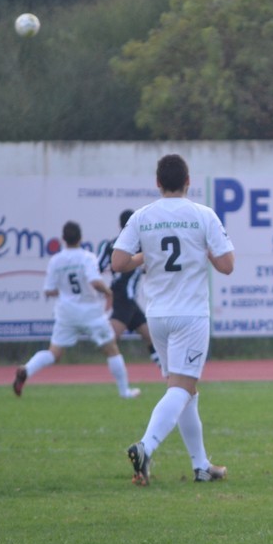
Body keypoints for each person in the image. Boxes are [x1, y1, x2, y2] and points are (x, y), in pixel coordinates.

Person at [112, 154, 234, 485]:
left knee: (186, 390)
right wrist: (205, 251)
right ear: (188, 181)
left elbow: (118, 262)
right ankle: (146, 446)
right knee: (181, 387)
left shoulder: (142, 215)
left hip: (157, 316)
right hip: (190, 315)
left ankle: (201, 466)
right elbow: (227, 265)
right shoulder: (203, 214)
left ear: (157, 183)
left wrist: (146, 255)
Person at [13, 221, 141, 399]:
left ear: (63, 239)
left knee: (54, 353)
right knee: (111, 349)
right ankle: (124, 392)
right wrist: (108, 292)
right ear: (80, 238)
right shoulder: (87, 257)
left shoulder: (56, 260)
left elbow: (49, 290)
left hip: (67, 312)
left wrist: (66, 292)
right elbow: (95, 282)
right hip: (90, 311)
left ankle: (27, 369)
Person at [97, 210, 162, 372]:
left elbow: (97, 267)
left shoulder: (111, 245)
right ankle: (99, 370)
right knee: (109, 340)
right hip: (123, 297)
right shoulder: (139, 244)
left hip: (128, 298)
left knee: (150, 336)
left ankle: (165, 371)